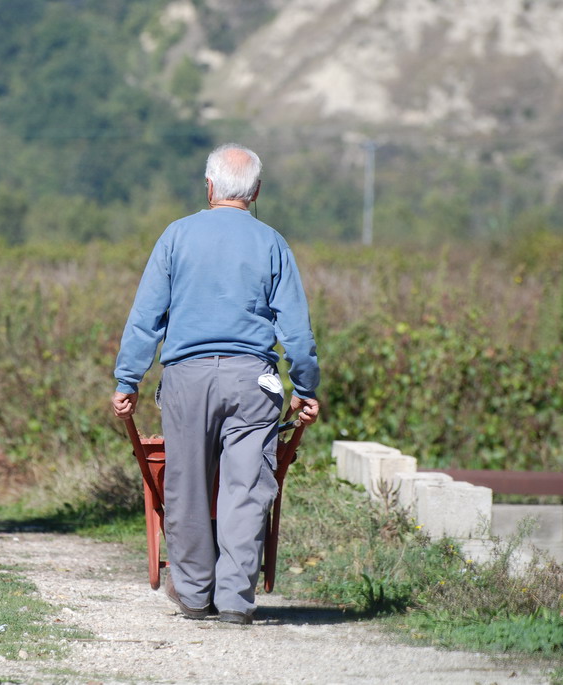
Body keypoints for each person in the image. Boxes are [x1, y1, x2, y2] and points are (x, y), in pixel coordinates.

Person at [111, 143, 320, 625]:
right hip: (255, 381)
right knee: (247, 488)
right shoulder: (272, 243)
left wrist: (128, 378)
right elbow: (297, 331)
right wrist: (306, 387)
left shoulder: (176, 236)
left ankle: (192, 593)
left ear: (209, 187)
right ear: (257, 192)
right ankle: (234, 601)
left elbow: (147, 318)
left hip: (187, 377)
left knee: (186, 484)